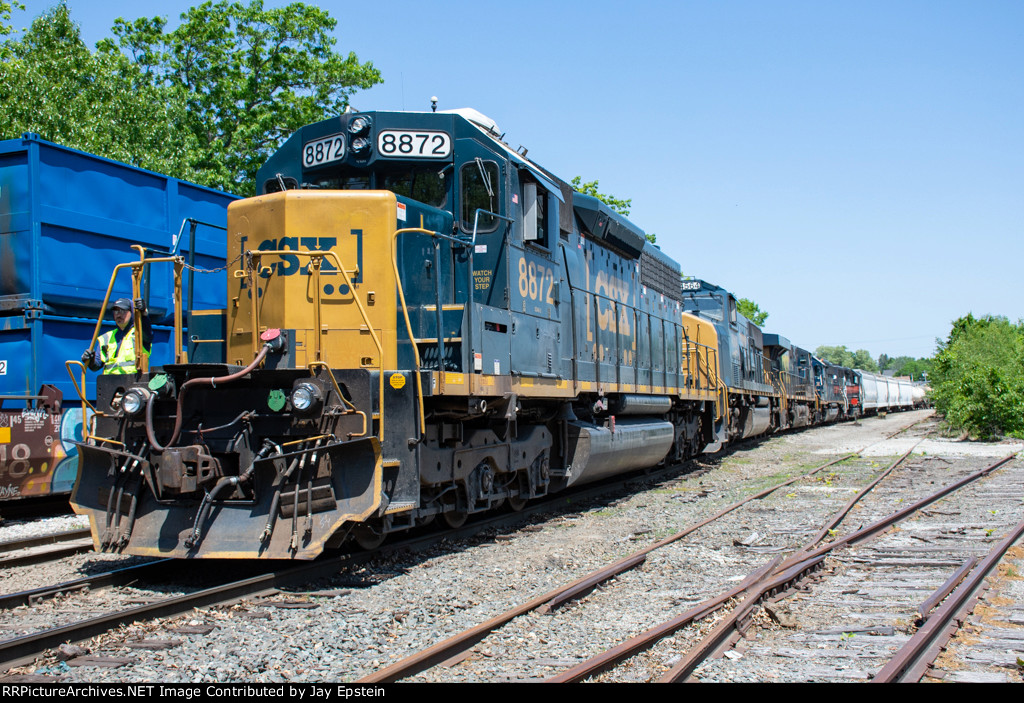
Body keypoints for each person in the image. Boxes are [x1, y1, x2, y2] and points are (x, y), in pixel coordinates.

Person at [81, 298, 153, 374]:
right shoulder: (106, 338)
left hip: (134, 383)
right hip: (110, 383)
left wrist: (144, 314)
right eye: (116, 311)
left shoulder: (139, 334)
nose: (118, 314)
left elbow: (148, 335)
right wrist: (90, 360)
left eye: (122, 311)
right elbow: (96, 366)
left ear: (132, 312)